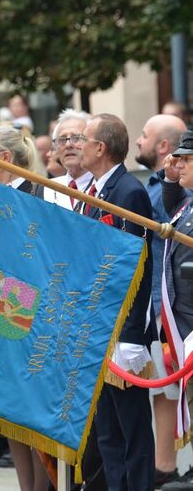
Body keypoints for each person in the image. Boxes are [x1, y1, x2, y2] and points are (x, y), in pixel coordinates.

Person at [78, 113, 155, 491]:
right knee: (107, 427)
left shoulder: (129, 192)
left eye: (83, 138)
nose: (78, 144)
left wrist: (131, 334)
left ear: (100, 147)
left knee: (132, 428)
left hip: (121, 332)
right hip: (98, 327)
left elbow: (139, 267)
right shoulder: (95, 192)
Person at [0, 126, 50, 491]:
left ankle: (42, 486)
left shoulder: (40, 195)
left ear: (4, 158)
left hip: (29, 316)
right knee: (9, 413)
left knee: (30, 412)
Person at [134, 113, 187, 487]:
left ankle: (166, 466)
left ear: (164, 146)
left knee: (172, 388)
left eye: (145, 135)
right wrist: (169, 178)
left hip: (174, 304)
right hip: (163, 302)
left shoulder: (156, 190)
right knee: (167, 388)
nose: (138, 141)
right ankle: (164, 466)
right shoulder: (163, 184)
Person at [160, 130, 193, 491]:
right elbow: (173, 208)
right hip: (185, 322)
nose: (177, 164)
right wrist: (171, 180)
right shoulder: (189, 203)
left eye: (185, 160)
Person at [43, 110, 93, 210]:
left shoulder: (102, 187)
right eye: (62, 139)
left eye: (76, 138)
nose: (68, 145)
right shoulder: (47, 189)